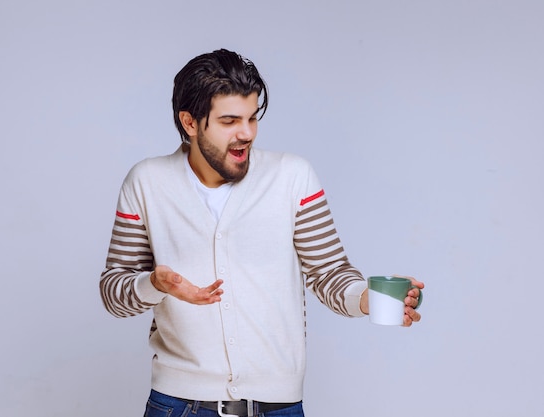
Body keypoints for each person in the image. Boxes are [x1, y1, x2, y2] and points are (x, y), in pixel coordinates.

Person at [99, 48, 423, 417]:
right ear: (190, 123)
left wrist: (368, 298)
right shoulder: (147, 182)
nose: (246, 133)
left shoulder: (292, 177)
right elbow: (114, 294)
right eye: (229, 121)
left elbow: (329, 274)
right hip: (178, 405)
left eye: (252, 118)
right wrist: (154, 284)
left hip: (278, 407)